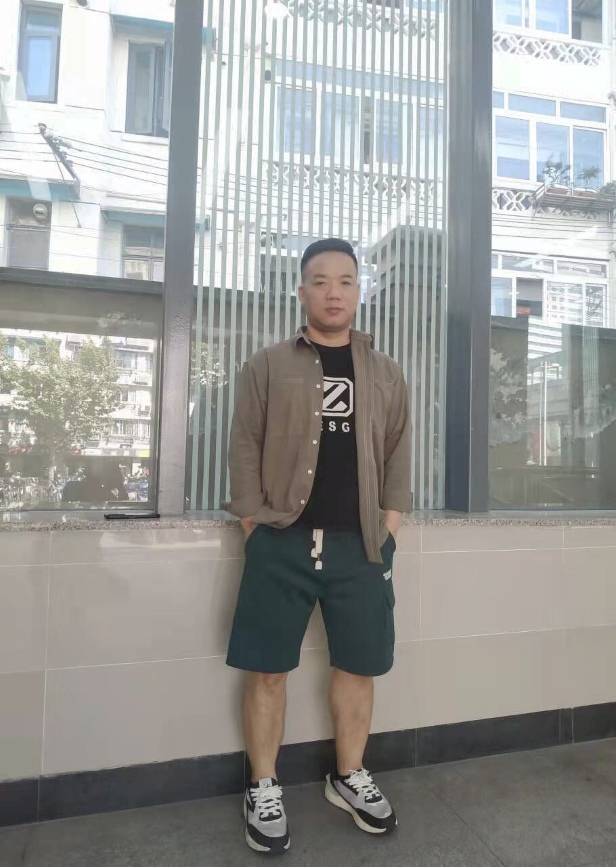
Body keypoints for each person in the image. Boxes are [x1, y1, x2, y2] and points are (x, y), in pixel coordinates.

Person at [227, 238, 412, 855]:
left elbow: (398, 455)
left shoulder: (385, 372)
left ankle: (348, 775)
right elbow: (245, 446)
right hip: (280, 541)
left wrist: (389, 528)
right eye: (321, 280)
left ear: (360, 291)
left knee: (359, 666)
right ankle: (263, 784)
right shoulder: (267, 365)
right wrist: (253, 523)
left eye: (346, 281)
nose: (334, 292)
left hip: (361, 546)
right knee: (268, 669)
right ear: (302, 290)